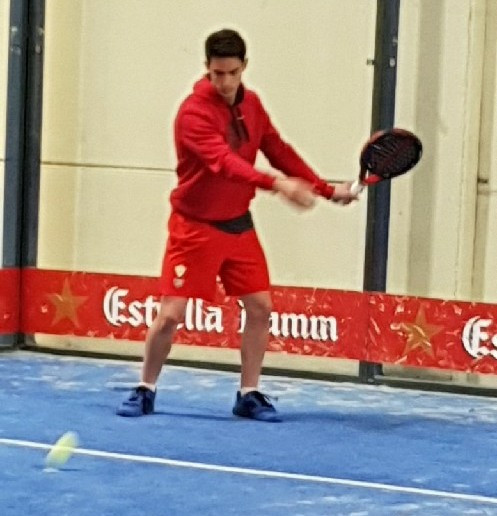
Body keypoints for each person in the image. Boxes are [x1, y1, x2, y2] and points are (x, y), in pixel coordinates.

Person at [117, 28, 357, 422]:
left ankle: (249, 394)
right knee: (171, 314)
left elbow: (277, 149)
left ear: (244, 66)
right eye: (217, 74)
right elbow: (226, 164)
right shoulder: (192, 114)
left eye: (232, 73)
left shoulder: (253, 104)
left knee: (261, 307)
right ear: (207, 68)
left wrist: (326, 190)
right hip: (194, 227)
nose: (225, 82)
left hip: (238, 224)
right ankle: (145, 387)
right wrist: (277, 185)